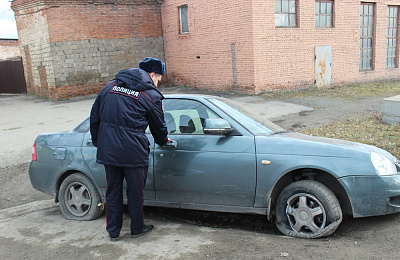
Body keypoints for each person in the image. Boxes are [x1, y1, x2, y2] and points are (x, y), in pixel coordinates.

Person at [90, 57, 169, 242]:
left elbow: (95, 118)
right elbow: (158, 126)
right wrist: (163, 140)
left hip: (109, 150)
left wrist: (99, 143)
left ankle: (113, 231)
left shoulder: (109, 87)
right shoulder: (151, 95)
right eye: (158, 79)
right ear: (151, 74)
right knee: (135, 193)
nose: (157, 83)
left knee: (113, 191)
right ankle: (137, 228)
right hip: (134, 152)